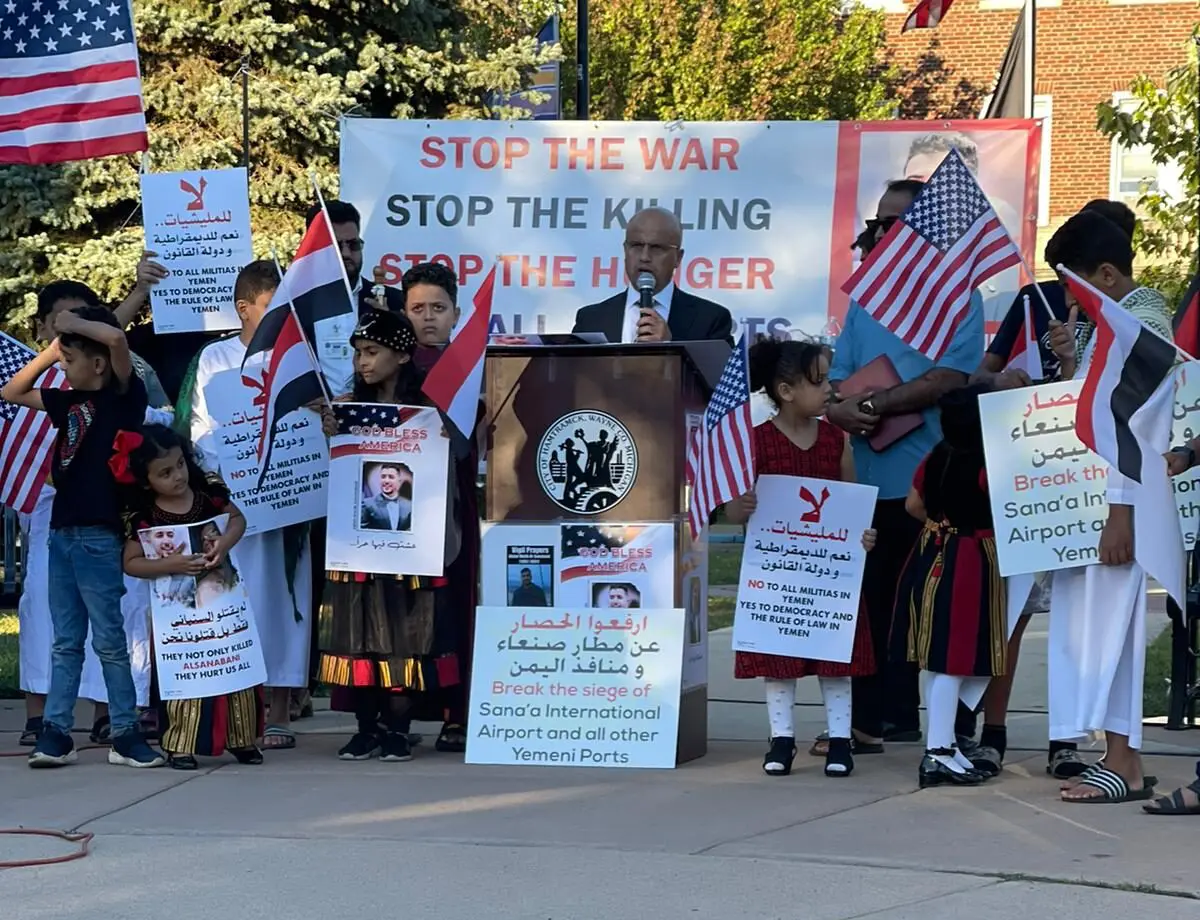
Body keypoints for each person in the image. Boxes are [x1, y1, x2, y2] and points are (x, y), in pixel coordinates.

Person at [961, 199, 1138, 781]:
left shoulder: (1131, 318)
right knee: (1011, 609)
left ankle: (1070, 738)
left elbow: (1112, 405)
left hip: (1091, 485)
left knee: (1077, 617)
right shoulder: (1035, 301)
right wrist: (1031, 373)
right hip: (1035, 473)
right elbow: (987, 376)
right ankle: (992, 729)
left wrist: (1070, 365)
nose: (1069, 291)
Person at [827, 179, 983, 752]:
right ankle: (876, 720)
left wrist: (868, 405)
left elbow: (948, 379)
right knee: (869, 603)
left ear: (926, 231)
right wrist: (843, 407)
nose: (882, 233)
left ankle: (945, 726)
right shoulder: (864, 295)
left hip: (929, 482)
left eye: (895, 223)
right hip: (866, 476)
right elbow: (839, 372)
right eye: (878, 223)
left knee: (931, 609)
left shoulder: (957, 297)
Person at [1045, 210, 1173, 804]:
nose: (1069, 297)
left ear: (1105, 274)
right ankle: (1114, 752)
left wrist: (1120, 510)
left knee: (1115, 629)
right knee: (1091, 630)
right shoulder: (1115, 322)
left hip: (1119, 501)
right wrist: (1071, 362)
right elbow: (1091, 406)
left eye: (1072, 284)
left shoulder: (1142, 324)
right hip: (1088, 500)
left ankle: (1123, 760)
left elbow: (1133, 426)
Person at [2, 305, 163, 768]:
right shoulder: (65, 403)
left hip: (100, 535)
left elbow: (115, 342)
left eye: (71, 361)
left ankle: (125, 731)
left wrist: (70, 326)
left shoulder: (122, 398)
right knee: (65, 640)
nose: (64, 368)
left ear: (96, 366)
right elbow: (13, 391)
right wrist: (52, 351)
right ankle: (55, 732)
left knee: (109, 638)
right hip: (62, 535)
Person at [316, 309, 465, 762]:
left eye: (373, 352)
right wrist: (332, 434)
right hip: (359, 545)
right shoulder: (348, 408)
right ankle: (365, 728)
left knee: (404, 637)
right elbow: (346, 474)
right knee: (358, 637)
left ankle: (398, 728)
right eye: (358, 353)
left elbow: (449, 462)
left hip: (409, 548)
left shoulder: (430, 409)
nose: (363, 362)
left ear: (402, 355)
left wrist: (444, 433)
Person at [726, 338, 878, 779]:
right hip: (777, 574)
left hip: (830, 576)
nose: (830, 389)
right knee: (779, 656)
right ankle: (782, 738)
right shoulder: (757, 443)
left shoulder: (836, 441)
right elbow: (736, 510)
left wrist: (863, 535)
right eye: (819, 381)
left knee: (835, 656)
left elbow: (851, 504)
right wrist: (742, 508)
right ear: (786, 390)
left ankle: (840, 739)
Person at [177, 260, 313, 751]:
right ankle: (236, 712)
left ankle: (279, 710)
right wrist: (228, 479)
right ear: (244, 308)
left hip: (288, 502)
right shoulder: (215, 358)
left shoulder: (301, 356)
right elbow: (199, 429)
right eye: (272, 307)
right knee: (238, 602)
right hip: (233, 505)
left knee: (285, 602)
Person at [120, 424, 264, 770]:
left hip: (223, 603)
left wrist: (224, 543)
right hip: (179, 618)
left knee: (233, 666)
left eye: (181, 465)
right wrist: (170, 563)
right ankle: (180, 743)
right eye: (165, 473)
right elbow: (130, 563)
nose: (178, 477)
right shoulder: (145, 516)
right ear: (145, 480)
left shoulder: (207, 495)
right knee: (186, 675)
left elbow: (238, 520)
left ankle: (241, 738)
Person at [893, 386, 1004, 787]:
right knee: (954, 658)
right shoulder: (985, 462)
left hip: (937, 550)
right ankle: (938, 750)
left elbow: (912, 505)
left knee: (948, 654)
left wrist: (940, 523)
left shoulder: (935, 454)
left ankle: (944, 744)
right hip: (971, 557)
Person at [571, 207, 734, 345]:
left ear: (678, 257)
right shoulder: (590, 319)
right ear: (625, 250)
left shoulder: (711, 320)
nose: (644, 256)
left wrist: (670, 349)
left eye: (656, 248)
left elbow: (717, 381)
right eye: (636, 246)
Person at [360, 463, 413, 531]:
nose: (386, 481)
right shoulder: (367, 504)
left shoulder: (409, 506)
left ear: (399, 481)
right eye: (383, 477)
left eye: (391, 477)